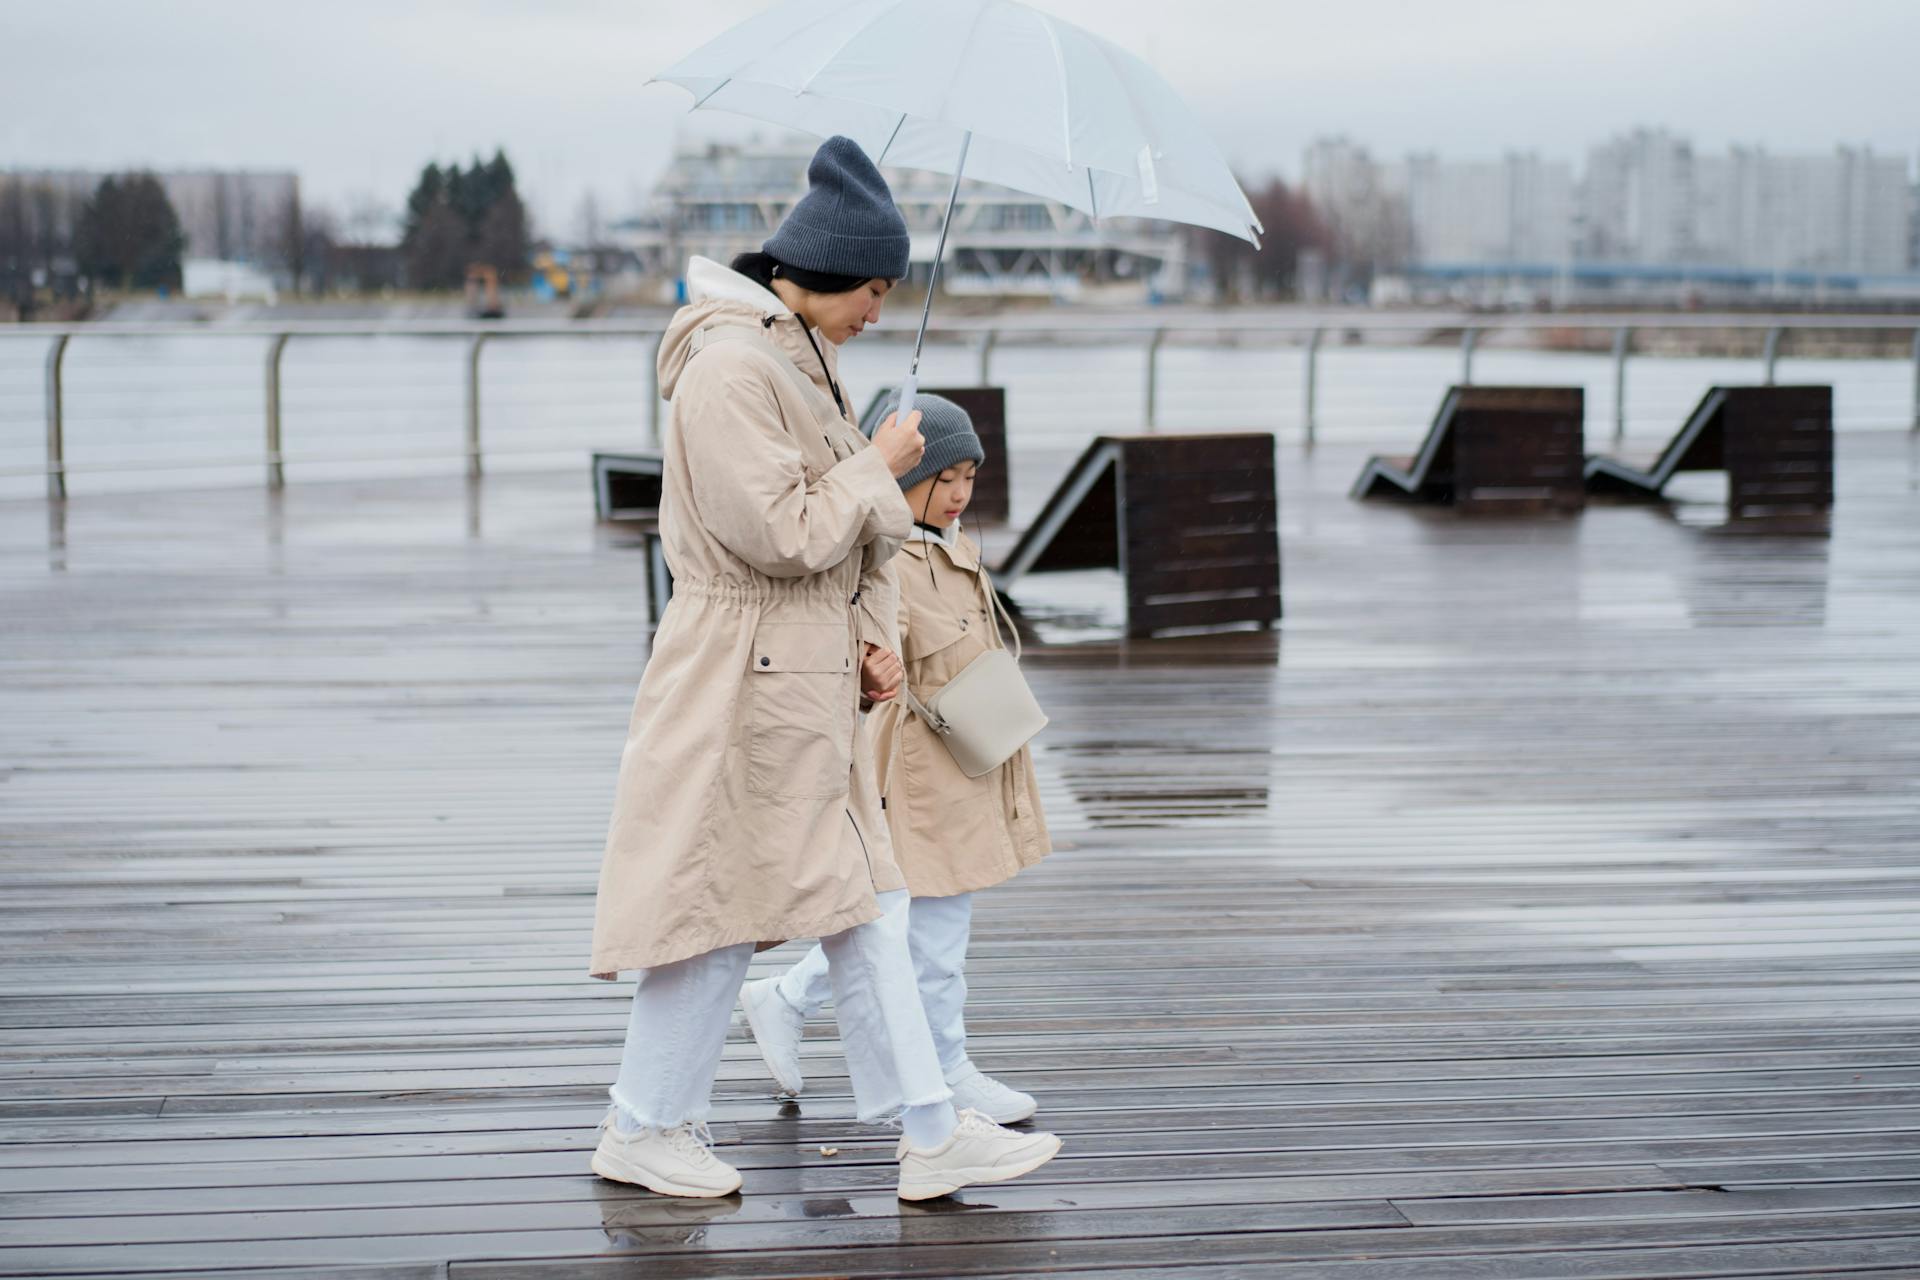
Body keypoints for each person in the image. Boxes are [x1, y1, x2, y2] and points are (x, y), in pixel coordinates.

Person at [587, 136, 1060, 1202]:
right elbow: (787, 530)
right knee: (729, 906)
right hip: (738, 674)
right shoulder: (727, 371)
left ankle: (929, 1124)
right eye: (877, 290)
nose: (881, 314)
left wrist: (870, 632)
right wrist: (881, 464)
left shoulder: (797, 359)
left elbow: (840, 543)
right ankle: (649, 1120)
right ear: (834, 273)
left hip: (795, 673)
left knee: (858, 897)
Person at [738, 394, 1052, 1124]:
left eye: (970, 478)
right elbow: (860, 653)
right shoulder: (887, 559)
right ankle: (948, 1069)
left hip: (967, 761)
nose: (960, 493)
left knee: (903, 925)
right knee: (933, 936)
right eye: (946, 478)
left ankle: (784, 999)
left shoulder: (951, 544)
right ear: (906, 475)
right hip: (918, 775)